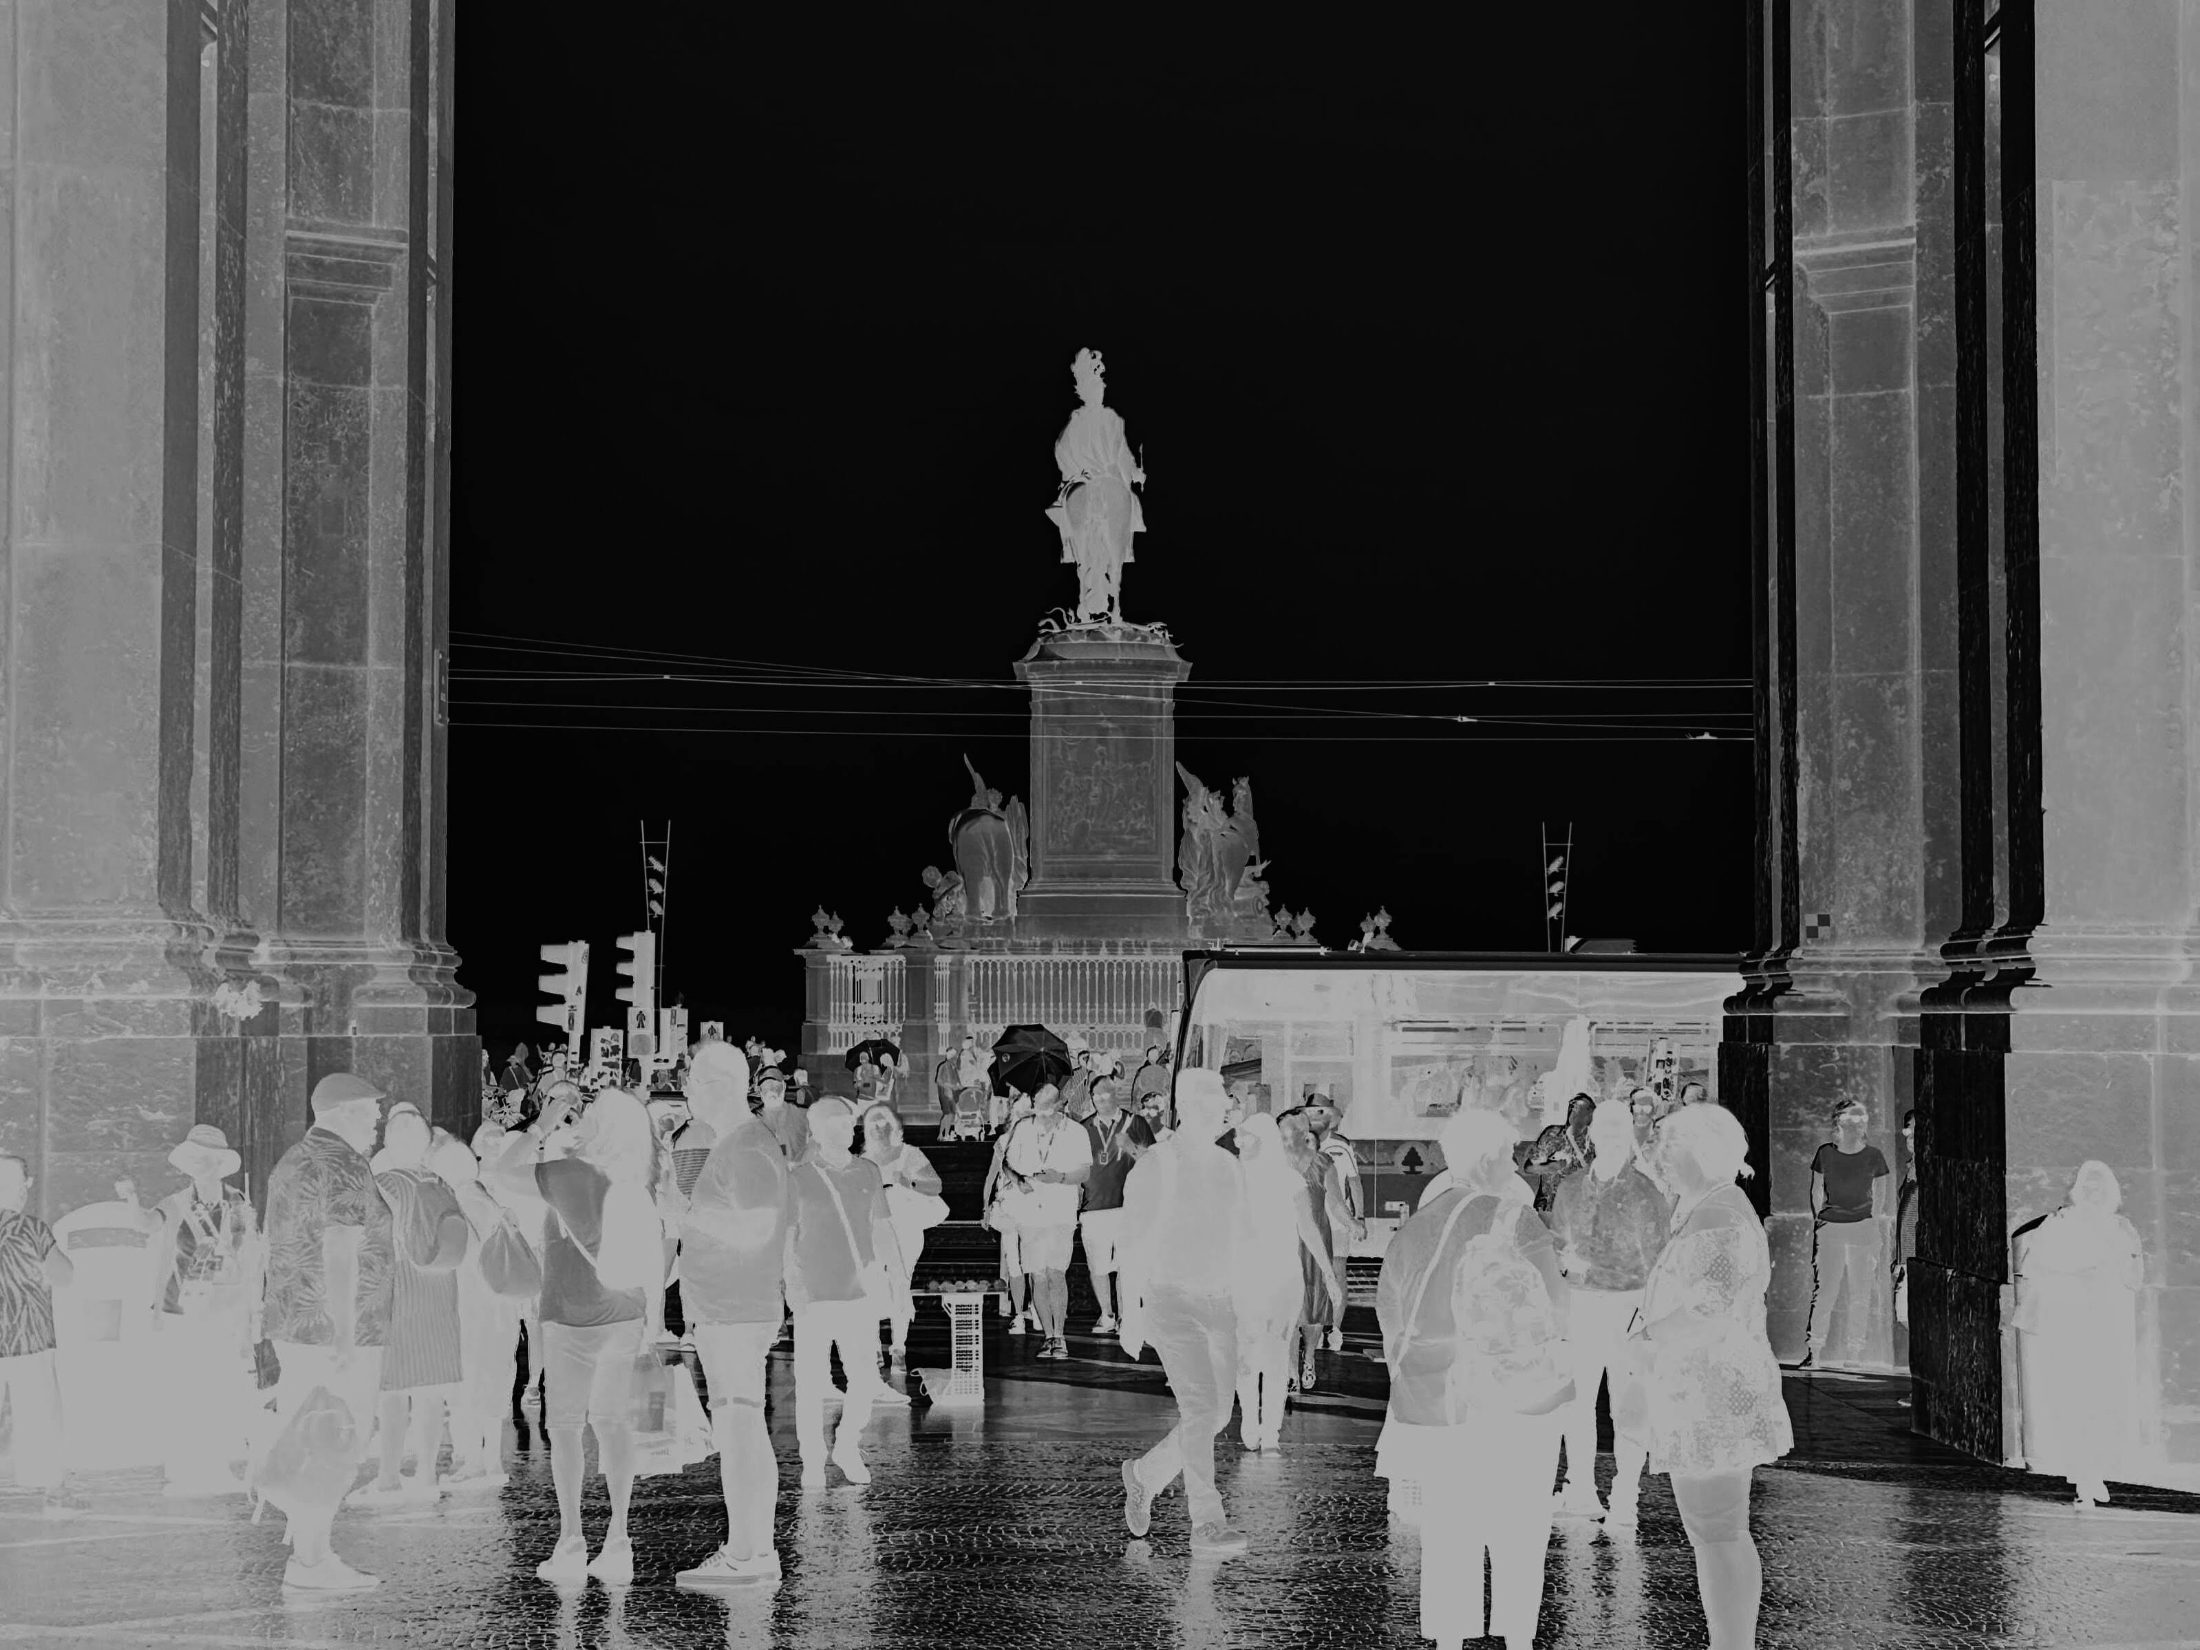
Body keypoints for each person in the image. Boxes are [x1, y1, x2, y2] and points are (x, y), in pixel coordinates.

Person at [1375, 1108, 1572, 1650]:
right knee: (1517, 1528)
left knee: (1449, 1530)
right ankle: (1514, 1636)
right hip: (1513, 1398)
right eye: (1510, 1156)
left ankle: (1448, 1635)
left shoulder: (1414, 1227)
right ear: (1488, 1160)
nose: (1515, 1167)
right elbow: (1557, 1310)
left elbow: (1390, 1317)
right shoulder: (1514, 1219)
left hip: (1438, 1398)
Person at [1631, 1103, 1792, 1650]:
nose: (1661, 1165)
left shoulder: (1719, 1215)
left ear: (1700, 1154)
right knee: (1713, 1533)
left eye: (1669, 1154)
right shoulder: (1711, 1209)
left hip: (1713, 1393)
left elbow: (1710, 1308)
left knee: (1718, 1531)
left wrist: (1647, 1337)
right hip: (1703, 1390)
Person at [493, 1087, 663, 1585]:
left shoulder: (569, 1174)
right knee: (612, 1422)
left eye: (590, 1113)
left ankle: (571, 1540)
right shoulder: (637, 1179)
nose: (582, 1116)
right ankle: (619, 1540)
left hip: (572, 1312)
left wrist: (541, 1124)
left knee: (566, 1425)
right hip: (625, 1313)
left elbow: (504, 1173)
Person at [261, 1072, 396, 1590]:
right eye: (370, 1111)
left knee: (311, 1431)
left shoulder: (294, 1158)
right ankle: (313, 1561)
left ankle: (309, 1551)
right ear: (342, 1114)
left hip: (296, 1321)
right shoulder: (342, 1163)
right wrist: (344, 1333)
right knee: (336, 1439)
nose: (377, 1120)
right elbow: (340, 1251)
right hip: (342, 1329)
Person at [674, 1041, 796, 1587]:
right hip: (729, 1307)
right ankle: (750, 1548)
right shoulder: (739, 1143)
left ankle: (749, 1554)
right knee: (740, 1423)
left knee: (740, 1426)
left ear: (721, 1085)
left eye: (695, 1081)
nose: (687, 1090)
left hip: (734, 1308)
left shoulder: (745, 1147)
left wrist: (684, 1214)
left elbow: (754, 1230)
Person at [1117, 1068, 1253, 1555]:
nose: (1227, 1108)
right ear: (1192, 1106)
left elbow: (1240, 1240)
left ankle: (1145, 1474)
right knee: (1199, 1409)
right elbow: (1130, 1242)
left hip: (1221, 1301)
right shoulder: (1160, 1164)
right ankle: (1207, 1522)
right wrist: (1128, 1312)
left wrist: (1247, 1306)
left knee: (1216, 1414)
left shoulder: (1228, 1166)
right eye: (1219, 1100)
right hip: (1172, 1299)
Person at [1547, 1098, 1670, 1527]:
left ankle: (1625, 1493)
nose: (1611, 1137)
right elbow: (1557, 1242)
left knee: (1628, 1404)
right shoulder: (1570, 1188)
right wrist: (1567, 1261)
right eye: (1605, 1129)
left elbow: (1658, 1261)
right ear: (1593, 1135)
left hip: (1627, 1305)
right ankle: (1580, 1487)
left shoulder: (1644, 1192)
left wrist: (1650, 1320)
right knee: (1576, 1403)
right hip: (1580, 1304)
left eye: (1619, 1130)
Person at [786, 1097, 901, 1488]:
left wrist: (899, 1281)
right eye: (836, 1124)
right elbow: (786, 1237)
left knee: (865, 1377)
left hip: (859, 1292)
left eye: (848, 1123)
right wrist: (791, 1283)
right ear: (817, 1131)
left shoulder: (867, 1172)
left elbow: (883, 1229)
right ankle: (812, 1459)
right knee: (810, 1382)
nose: (846, 1130)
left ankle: (847, 1444)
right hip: (814, 1293)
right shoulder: (798, 1177)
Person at [2016, 1160, 2144, 1508]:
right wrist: (2077, 1271)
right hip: (2069, 1326)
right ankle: (2085, 1476)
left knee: (2102, 1403)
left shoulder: (2121, 1227)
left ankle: (2092, 1472)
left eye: (2100, 1186)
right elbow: (2036, 1266)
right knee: (2076, 1401)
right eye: (2087, 1185)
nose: (2093, 1192)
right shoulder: (2059, 1224)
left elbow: (2134, 1277)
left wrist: (2119, 1263)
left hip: (2105, 1327)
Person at [361, 1104, 470, 1502]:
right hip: (439, 1295)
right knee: (430, 1392)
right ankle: (426, 1476)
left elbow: (368, 1245)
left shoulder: (385, 1184)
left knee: (392, 1393)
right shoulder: (441, 1183)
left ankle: (389, 1478)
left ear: (388, 1142)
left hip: (400, 1297)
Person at [146, 1125, 262, 1498]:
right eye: (195, 1159)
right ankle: (182, 1469)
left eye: (208, 1159)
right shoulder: (176, 1203)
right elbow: (148, 1225)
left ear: (220, 1162)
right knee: (186, 1389)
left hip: (224, 1309)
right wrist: (131, 1203)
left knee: (221, 1389)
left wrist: (248, 1319)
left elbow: (249, 1260)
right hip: (184, 1308)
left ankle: (216, 1465)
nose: (202, 1166)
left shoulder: (239, 1204)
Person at [1233, 1113, 1342, 1453]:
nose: (1238, 1143)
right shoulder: (1234, 1179)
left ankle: (1271, 1431)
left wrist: (1327, 1273)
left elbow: (1308, 1228)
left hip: (1282, 1277)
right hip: (1245, 1276)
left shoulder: (1289, 1180)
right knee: (1247, 1351)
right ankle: (1250, 1419)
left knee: (1277, 1352)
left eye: (1245, 1137)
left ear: (1261, 1140)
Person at [435, 1128, 524, 1488]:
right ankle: (490, 1462)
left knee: (471, 1383)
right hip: (500, 1307)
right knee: (493, 1384)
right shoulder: (486, 1198)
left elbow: (462, 1259)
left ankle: (474, 1461)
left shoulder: (461, 1202)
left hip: (475, 1307)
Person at [0, 1152, 86, 1519]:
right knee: (42, 1417)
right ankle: (54, 1497)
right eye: (22, 1182)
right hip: (28, 1339)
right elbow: (64, 1276)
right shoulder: (32, 1230)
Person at [998, 1082, 1093, 1359]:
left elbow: (1085, 1172)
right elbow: (1006, 1162)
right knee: (1037, 1276)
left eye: (1045, 1105)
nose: (1039, 1110)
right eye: (1036, 1104)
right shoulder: (1023, 1128)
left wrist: (1059, 1178)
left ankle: (1060, 1336)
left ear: (1059, 1104)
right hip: (1029, 1211)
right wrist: (1018, 1180)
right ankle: (1047, 1336)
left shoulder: (1075, 1131)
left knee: (1056, 1273)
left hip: (1060, 1211)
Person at [1806, 1099, 1892, 1369]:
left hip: (1862, 1228)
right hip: (1831, 1227)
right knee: (1825, 1290)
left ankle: (1854, 1351)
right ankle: (1814, 1350)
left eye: (1860, 1119)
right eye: (1850, 1119)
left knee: (1860, 1292)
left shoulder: (1874, 1155)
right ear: (1838, 1122)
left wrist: (1872, 1220)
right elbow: (1816, 1188)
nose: (1856, 1124)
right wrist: (1817, 1218)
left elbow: (1881, 1190)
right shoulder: (1825, 1153)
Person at [861, 1104, 942, 1367]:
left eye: (882, 1122)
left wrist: (906, 1181)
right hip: (873, 1226)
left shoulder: (910, 1154)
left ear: (894, 1126)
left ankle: (898, 1347)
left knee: (900, 1283)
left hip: (904, 1224)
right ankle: (872, 1346)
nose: (877, 1128)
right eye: (872, 1123)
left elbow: (936, 1185)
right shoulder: (862, 1157)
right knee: (871, 1284)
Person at [1281, 1107, 1353, 1390]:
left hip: (1314, 1242)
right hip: (1284, 1242)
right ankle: (1290, 1372)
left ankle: (1308, 1355)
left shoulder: (1324, 1164)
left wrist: (1351, 1222)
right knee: (1289, 1311)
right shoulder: (1275, 1164)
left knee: (1312, 1312)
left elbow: (1335, 1202)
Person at [1302, 1094, 1364, 1352]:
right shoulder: (1300, 1144)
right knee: (1311, 1275)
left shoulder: (1341, 1145)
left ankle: (1335, 1329)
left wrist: (1358, 1217)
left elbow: (1354, 1181)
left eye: (1321, 1113)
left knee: (1337, 1271)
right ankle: (1310, 1330)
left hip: (1337, 1221)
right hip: (1310, 1219)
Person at [1078, 1078, 1139, 1335]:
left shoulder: (1134, 1123)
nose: (1100, 1100)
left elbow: (1154, 1160)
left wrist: (1131, 1148)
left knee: (1127, 1265)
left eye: (1105, 1095)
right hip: (1094, 1208)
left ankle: (1127, 1317)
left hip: (1129, 1207)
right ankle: (1107, 1314)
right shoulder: (1083, 1128)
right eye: (1095, 1096)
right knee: (1098, 1266)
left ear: (1116, 1094)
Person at [981, 1093, 1037, 1332]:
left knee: (1034, 1262)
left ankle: (1035, 1308)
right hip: (1008, 1206)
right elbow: (991, 1177)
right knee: (1013, 1263)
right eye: (1021, 1113)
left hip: (1033, 1206)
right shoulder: (1003, 1141)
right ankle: (1018, 1314)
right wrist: (985, 1207)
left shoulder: (1039, 1140)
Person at [1523, 1091, 1597, 1214]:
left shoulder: (1593, 1144)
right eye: (1572, 1105)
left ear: (1589, 1117)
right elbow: (1529, 1168)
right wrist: (1550, 1167)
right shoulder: (1552, 1134)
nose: (1573, 1108)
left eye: (1579, 1107)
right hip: (1548, 1210)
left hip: (1577, 1212)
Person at [1892, 1108, 1918, 1341]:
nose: (1907, 1134)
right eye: (1906, 1129)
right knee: (1904, 1313)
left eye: (1912, 1128)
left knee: (1907, 1312)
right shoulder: (1912, 1167)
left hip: (1916, 1257)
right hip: (1907, 1259)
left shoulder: (1923, 1168)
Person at [755, 1067, 810, 1165]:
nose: (772, 1089)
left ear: (784, 1086)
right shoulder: (753, 1121)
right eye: (767, 1085)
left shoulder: (804, 1116)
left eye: (776, 1084)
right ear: (759, 1090)